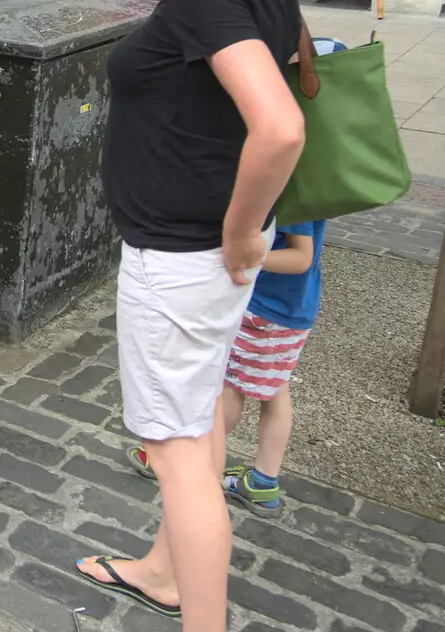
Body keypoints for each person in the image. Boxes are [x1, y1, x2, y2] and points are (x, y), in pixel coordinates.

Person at [76, 0, 308, 632]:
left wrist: (243, 230)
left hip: (183, 259)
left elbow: (278, 126)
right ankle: (165, 572)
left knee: (177, 452)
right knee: (197, 426)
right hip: (197, 261)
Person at [127, 40, 342, 517]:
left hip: (267, 308)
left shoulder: (288, 175)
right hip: (292, 310)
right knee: (274, 389)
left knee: (227, 389)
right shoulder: (307, 164)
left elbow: (301, 257)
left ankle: (191, 462)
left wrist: (244, 252)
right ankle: (264, 480)